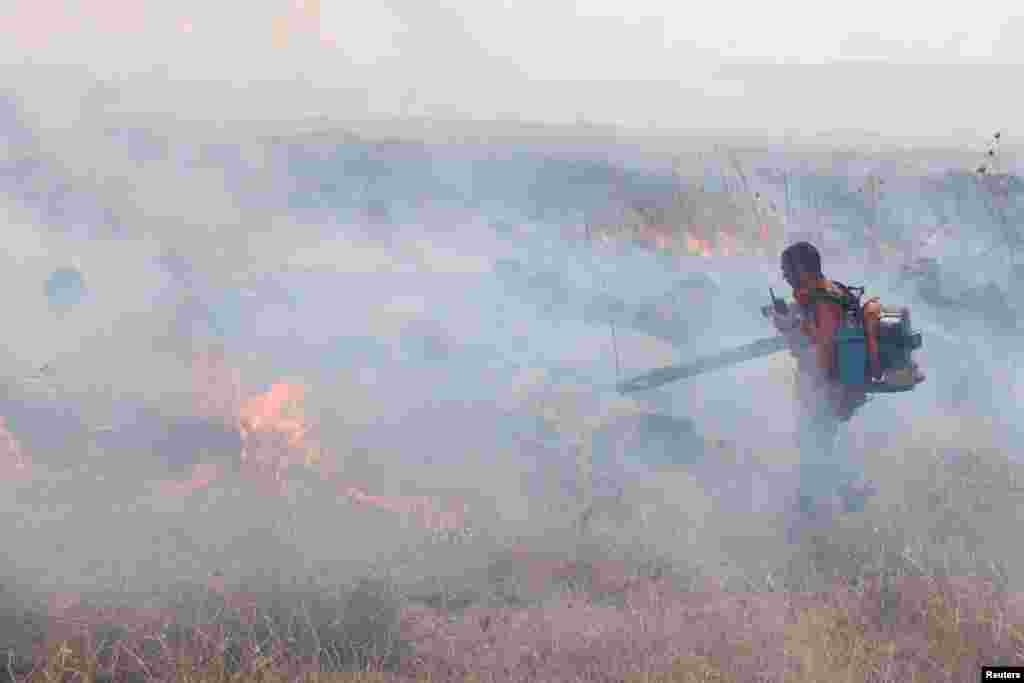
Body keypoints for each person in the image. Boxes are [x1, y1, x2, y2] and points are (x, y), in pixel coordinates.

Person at [770, 242, 879, 539]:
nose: (785, 276)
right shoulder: (823, 294)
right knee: (817, 447)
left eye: (787, 270)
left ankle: (815, 514)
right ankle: (844, 496)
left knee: (813, 448)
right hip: (828, 387)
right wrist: (790, 320)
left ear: (803, 269)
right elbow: (812, 334)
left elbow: (822, 351)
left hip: (827, 387)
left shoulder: (824, 301)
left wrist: (790, 329)